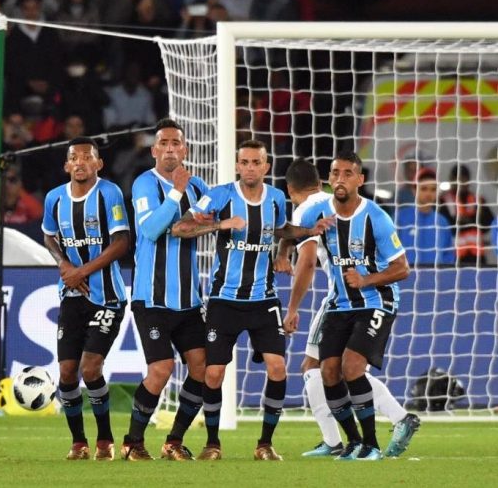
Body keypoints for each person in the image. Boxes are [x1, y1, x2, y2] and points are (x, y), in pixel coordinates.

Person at [171, 140, 333, 461]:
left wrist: (307, 230)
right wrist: (220, 224)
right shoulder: (219, 195)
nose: (249, 168)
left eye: (255, 162)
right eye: (244, 162)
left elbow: (282, 229)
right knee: (213, 373)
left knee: (277, 369)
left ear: (266, 167)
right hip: (224, 300)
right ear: (237, 165)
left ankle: (265, 444)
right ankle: (212, 444)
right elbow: (180, 228)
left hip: (264, 300)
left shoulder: (276, 199)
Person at [276, 158, 421, 458]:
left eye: (348, 174)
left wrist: (366, 280)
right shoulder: (318, 210)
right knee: (327, 370)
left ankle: (369, 443)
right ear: (327, 179)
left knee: (350, 368)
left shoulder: (376, 217)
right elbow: (287, 232)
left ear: (360, 179)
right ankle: (352, 440)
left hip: (374, 300)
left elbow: (402, 268)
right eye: (335, 174)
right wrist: (293, 243)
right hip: (339, 303)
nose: (340, 179)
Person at [119, 118, 209, 462]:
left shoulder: (198, 185)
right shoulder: (144, 185)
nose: (171, 148)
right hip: (151, 298)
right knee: (161, 369)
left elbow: (209, 220)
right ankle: (132, 442)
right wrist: (176, 194)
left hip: (188, 300)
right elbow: (153, 229)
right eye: (165, 143)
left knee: (202, 369)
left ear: (185, 149)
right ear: (154, 149)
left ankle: (174, 441)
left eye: (177, 143)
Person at [41, 137, 130, 461]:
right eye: (73, 158)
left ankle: (105, 438)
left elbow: (121, 242)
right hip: (71, 297)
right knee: (66, 372)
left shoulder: (109, 194)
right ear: (67, 166)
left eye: (86, 157)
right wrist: (65, 264)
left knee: (90, 369)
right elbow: (49, 235)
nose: (80, 162)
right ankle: (78, 442)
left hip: (106, 297)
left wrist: (83, 271)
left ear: (98, 164)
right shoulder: (54, 199)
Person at [395, 167, 455, 267]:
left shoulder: (442, 222)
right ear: (414, 190)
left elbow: (448, 255)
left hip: (435, 280)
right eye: (424, 189)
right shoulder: (400, 218)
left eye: (433, 189)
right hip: (406, 279)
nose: (428, 194)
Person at [438, 164, 494, 266]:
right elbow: (442, 225)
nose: (461, 182)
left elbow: (488, 222)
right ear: (452, 179)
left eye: (464, 179)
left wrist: (463, 222)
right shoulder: (442, 201)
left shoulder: (478, 200)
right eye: (458, 178)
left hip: (477, 256)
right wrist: (472, 222)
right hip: (453, 255)